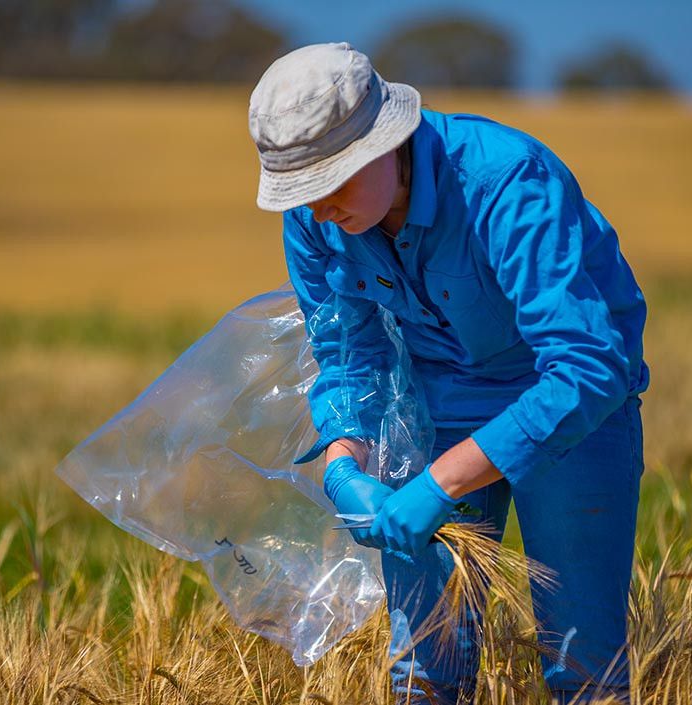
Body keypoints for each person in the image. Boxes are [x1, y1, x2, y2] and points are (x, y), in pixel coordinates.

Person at [247, 43, 648, 705]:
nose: (316, 208)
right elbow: (350, 354)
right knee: (423, 674)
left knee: (584, 668)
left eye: (330, 182)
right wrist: (345, 461)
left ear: (386, 142)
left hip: (576, 415)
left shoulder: (505, 181)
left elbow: (588, 366)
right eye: (300, 191)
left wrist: (441, 481)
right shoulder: (314, 221)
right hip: (432, 408)